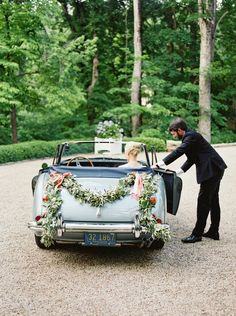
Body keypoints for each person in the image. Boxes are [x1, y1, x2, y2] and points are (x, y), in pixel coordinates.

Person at [153, 117, 227, 243]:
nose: (173, 135)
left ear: (180, 130)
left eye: (174, 132)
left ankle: (197, 234)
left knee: (203, 201)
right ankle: (214, 232)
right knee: (213, 201)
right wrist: (178, 172)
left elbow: (179, 152)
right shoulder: (191, 137)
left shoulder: (191, 137)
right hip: (215, 168)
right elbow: (191, 159)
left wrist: (160, 164)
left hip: (212, 170)